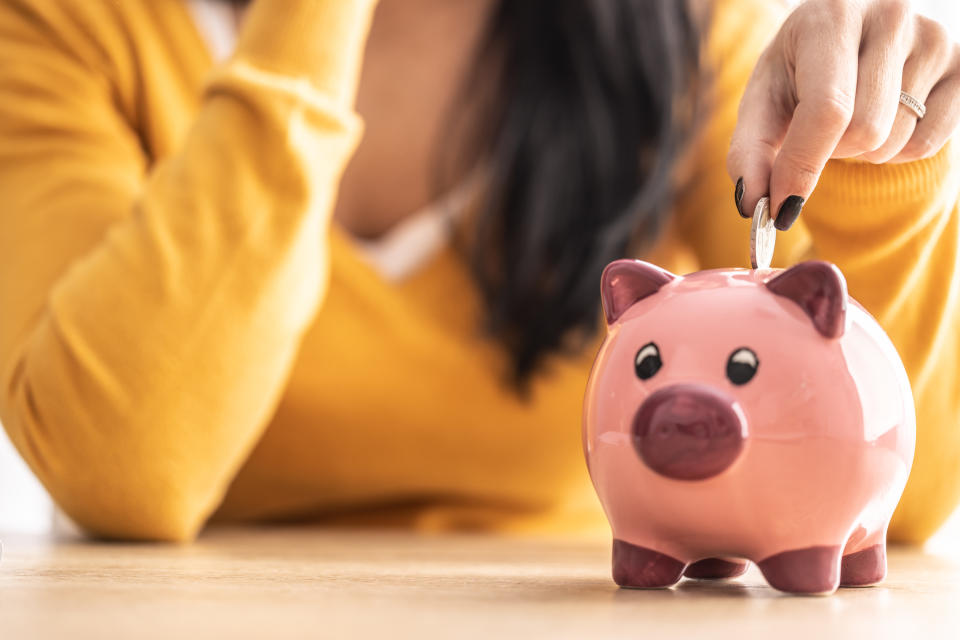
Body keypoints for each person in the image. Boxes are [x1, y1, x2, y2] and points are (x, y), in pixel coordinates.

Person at [0, 0, 957, 544]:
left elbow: (896, 501)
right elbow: (122, 472)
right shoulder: (65, 26)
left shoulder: (683, 30)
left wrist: (881, 175)